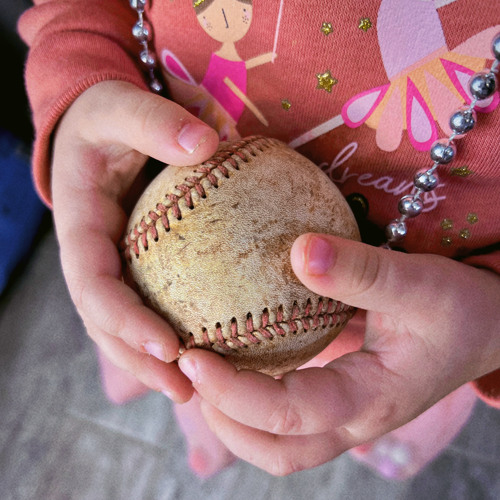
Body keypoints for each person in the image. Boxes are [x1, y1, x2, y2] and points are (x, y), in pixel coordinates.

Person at [18, 0, 500, 479]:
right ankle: (186, 407)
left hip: (433, 326)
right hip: (163, 241)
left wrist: (490, 325)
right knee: (178, 368)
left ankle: (386, 439)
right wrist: (84, 71)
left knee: (372, 413)